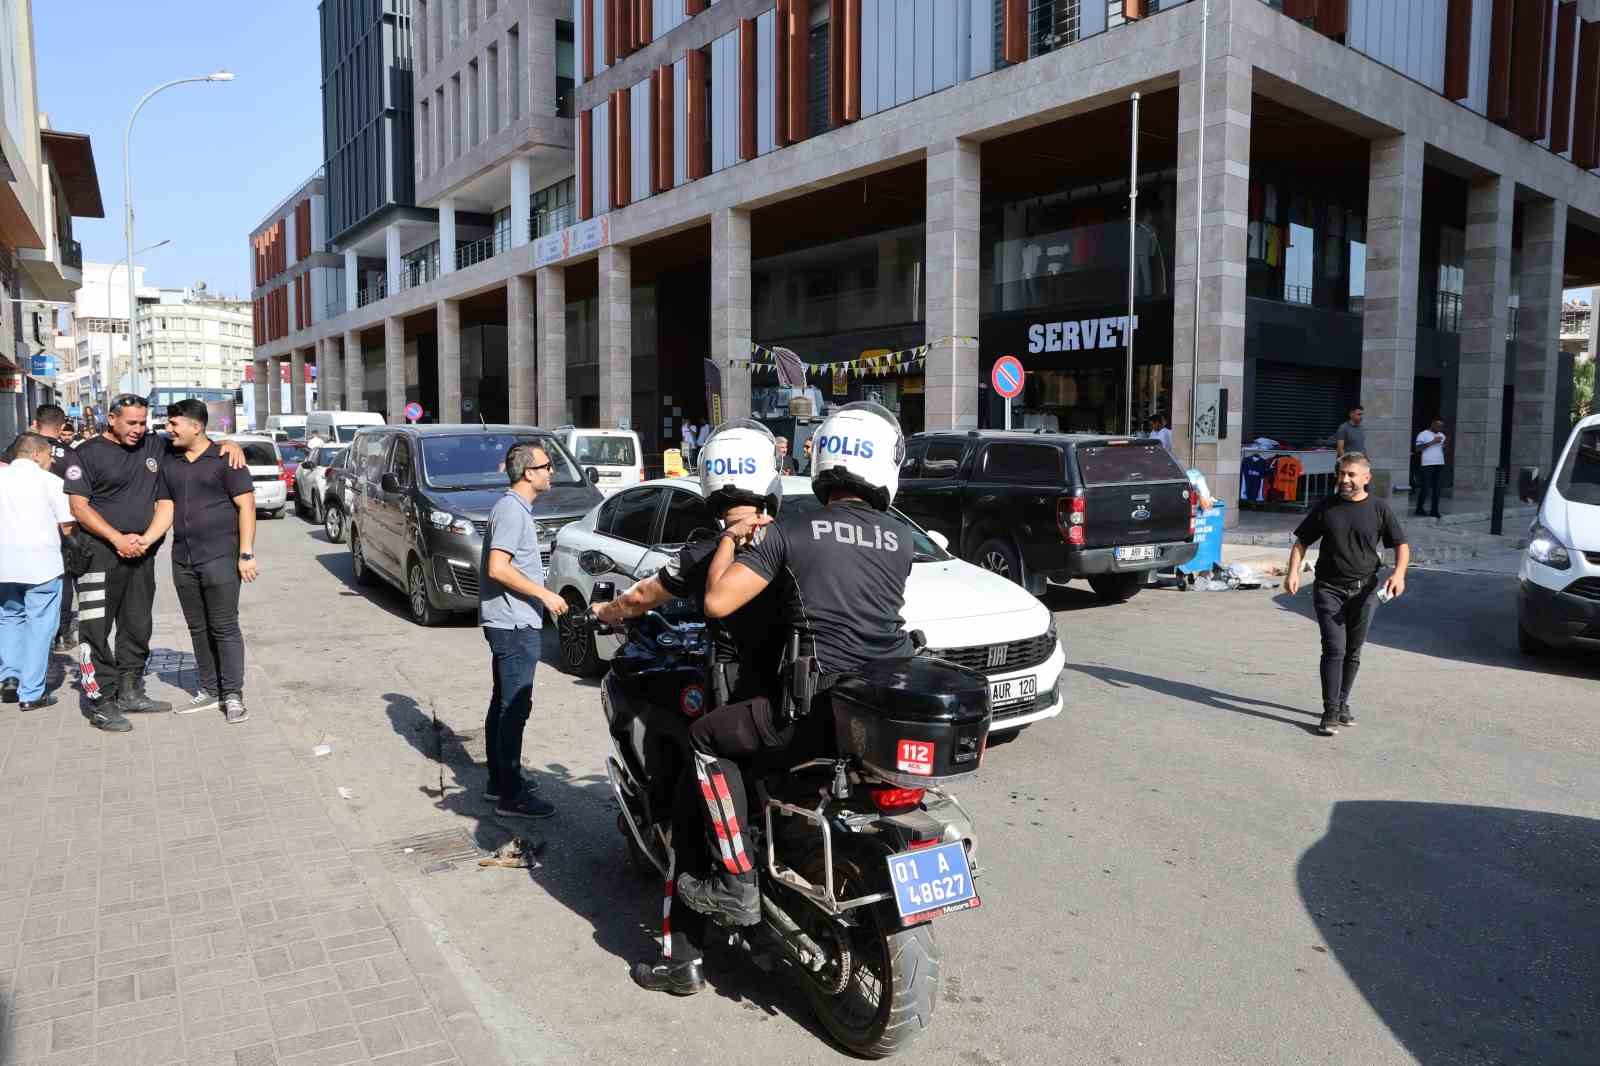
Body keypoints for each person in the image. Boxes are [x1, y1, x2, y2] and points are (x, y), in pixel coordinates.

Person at [682, 402, 916, 929]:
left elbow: (718, 603)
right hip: (869, 706)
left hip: (810, 713)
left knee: (706, 738)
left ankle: (734, 882)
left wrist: (728, 538)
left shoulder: (793, 531)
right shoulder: (900, 539)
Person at [592, 420, 790, 995]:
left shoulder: (710, 550)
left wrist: (608, 614)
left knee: (687, 813)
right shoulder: (789, 536)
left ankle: (682, 964)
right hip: (789, 705)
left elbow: (645, 596)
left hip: (730, 709)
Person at [63, 394, 246, 733]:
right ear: (111, 420)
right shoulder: (85, 453)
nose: (138, 429)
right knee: (95, 630)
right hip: (99, 554)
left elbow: (196, 437)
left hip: (140, 554)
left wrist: (229, 442)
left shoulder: (154, 445)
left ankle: (130, 689)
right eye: (131, 423)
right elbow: (78, 507)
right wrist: (117, 538)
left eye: (142, 422)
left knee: (136, 624)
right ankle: (100, 700)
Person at [135, 400, 258, 723]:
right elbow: (166, 507)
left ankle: (233, 694)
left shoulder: (225, 459)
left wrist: (246, 553)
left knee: (224, 626)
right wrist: (147, 540)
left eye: (175, 424)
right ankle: (209, 689)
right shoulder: (171, 462)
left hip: (221, 557)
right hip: (183, 560)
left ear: (196, 426)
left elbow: (247, 506)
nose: (169, 430)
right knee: (198, 627)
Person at [1285, 452, 1410, 737]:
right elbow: (1301, 541)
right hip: (1329, 588)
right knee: (1334, 648)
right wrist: (1292, 572)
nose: (1345, 480)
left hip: (1365, 591)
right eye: (1342, 474)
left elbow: (1401, 544)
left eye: (1351, 475)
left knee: (1353, 650)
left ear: (1366, 478)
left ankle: (1342, 703)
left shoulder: (1379, 509)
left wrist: (1399, 574)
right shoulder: (1326, 507)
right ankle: (1330, 711)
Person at [479, 442, 570, 820]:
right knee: (514, 708)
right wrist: (544, 594)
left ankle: (499, 782)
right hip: (514, 623)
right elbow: (498, 568)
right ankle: (511, 796)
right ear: (528, 473)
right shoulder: (512, 511)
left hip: (510, 621)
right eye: (546, 465)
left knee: (503, 703)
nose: (552, 471)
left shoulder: (512, 508)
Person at [0, 433, 75, 711]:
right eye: (47, 456)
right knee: (40, 626)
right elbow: (68, 525)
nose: (49, 462)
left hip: (4, 564)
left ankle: (9, 677)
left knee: (9, 618)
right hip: (42, 564)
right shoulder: (51, 482)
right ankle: (31, 692)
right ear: (35, 454)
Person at [1413, 417, 1447, 518]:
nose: (1439, 428)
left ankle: (1434, 510)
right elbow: (1418, 449)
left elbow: (1442, 451)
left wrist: (1445, 446)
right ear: (1432, 424)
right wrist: (1433, 442)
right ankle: (1419, 508)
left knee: (1437, 488)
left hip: (1439, 463)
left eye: (1441, 426)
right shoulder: (1423, 434)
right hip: (1427, 465)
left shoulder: (1442, 435)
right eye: (1438, 425)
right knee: (1425, 487)